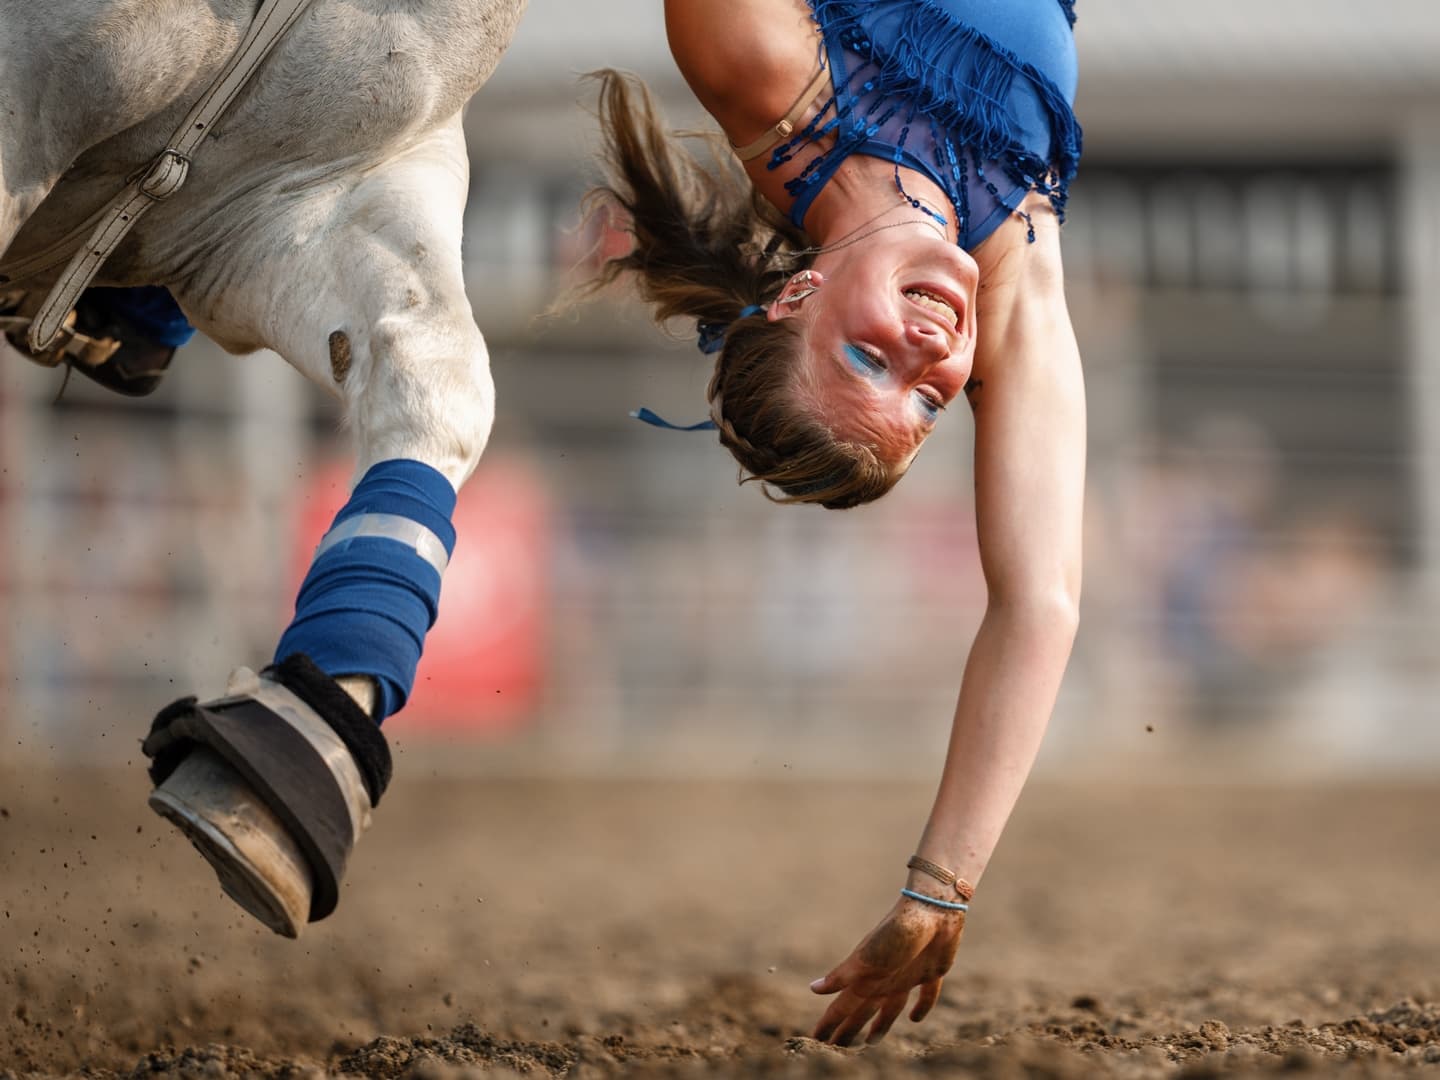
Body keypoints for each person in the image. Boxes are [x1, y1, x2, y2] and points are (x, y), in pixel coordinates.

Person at [587, 0, 1085, 1045]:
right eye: (932, 399)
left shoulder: (761, 70)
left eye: (868, 360)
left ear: (792, 299)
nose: (929, 350)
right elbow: (1038, 601)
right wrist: (942, 888)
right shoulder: (1013, 283)